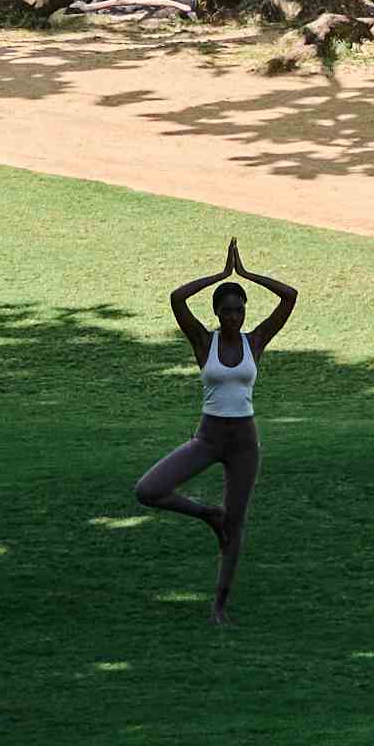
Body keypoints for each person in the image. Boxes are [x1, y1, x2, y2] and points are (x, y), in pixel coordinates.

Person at [131, 243, 298, 616]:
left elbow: (290, 296)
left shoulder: (255, 341)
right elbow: (177, 299)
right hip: (208, 439)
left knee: (236, 525)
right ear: (217, 313)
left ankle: (220, 604)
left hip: (244, 444)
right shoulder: (203, 341)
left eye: (240, 309)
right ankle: (209, 514)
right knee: (148, 490)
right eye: (227, 310)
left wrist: (247, 274)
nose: (235, 316)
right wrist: (221, 276)